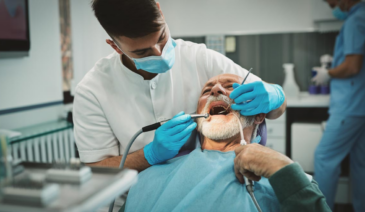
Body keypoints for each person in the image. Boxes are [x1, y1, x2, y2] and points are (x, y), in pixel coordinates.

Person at [73, 0, 286, 172]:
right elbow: (96, 168)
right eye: (142, 52)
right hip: (135, 199)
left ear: (159, 11)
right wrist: (149, 154)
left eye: (162, 37)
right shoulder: (92, 91)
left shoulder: (200, 58)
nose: (159, 53)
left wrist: (275, 96)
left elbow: (276, 107)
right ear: (115, 46)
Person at [125, 73, 330, 212]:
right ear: (197, 119)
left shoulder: (287, 178)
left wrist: (283, 169)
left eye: (231, 87)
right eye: (207, 91)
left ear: (259, 115)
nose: (215, 90)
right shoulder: (149, 178)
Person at [312, 0, 365, 211]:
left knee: (324, 157)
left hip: (349, 107)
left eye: (331, 1)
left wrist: (328, 73)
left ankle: (320, 209)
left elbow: (352, 66)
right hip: (360, 107)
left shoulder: (354, 21)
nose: (332, 6)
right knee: (360, 164)